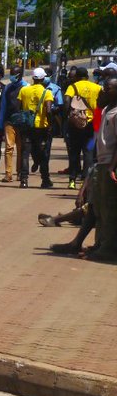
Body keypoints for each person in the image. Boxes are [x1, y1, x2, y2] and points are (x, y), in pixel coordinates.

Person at [88, 76, 117, 262]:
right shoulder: (107, 109)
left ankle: (108, 248)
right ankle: (100, 244)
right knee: (99, 207)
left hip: (109, 165)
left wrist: (112, 167)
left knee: (109, 208)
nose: (104, 91)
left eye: (108, 88)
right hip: (101, 162)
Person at [16, 67, 56, 189]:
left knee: (25, 153)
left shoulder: (24, 90)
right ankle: (45, 180)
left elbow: (19, 108)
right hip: (41, 127)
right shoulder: (47, 92)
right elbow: (49, 111)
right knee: (43, 153)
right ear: (43, 78)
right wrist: (50, 124)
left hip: (27, 126)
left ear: (33, 78)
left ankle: (23, 180)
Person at [64, 66, 102, 189]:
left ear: (77, 76)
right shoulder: (97, 87)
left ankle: (72, 180)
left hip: (75, 124)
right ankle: (85, 180)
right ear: (87, 76)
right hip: (91, 125)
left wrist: (68, 116)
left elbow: (66, 101)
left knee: (74, 152)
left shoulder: (73, 87)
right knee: (89, 152)